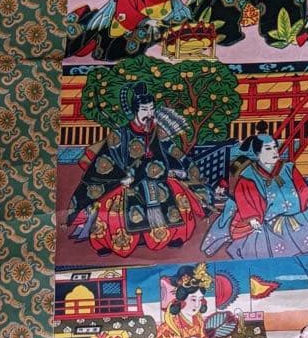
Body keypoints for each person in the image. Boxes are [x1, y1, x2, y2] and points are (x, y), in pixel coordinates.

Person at [66, 83, 212, 257]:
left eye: (151, 109)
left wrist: (178, 169)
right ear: (135, 111)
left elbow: (175, 152)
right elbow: (107, 160)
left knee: (178, 196)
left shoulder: (158, 132)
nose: (149, 114)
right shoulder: (120, 134)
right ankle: (108, 242)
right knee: (112, 208)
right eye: (144, 110)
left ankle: (174, 236)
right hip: (128, 181)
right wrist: (122, 177)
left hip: (157, 178)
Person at [201, 129, 308, 259]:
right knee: (261, 237)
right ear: (258, 154)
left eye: (275, 147)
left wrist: (307, 202)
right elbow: (247, 200)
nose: (274, 151)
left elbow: (304, 191)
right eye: (268, 149)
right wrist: (253, 218)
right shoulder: (249, 176)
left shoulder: (288, 168)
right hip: (269, 218)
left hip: (296, 211)